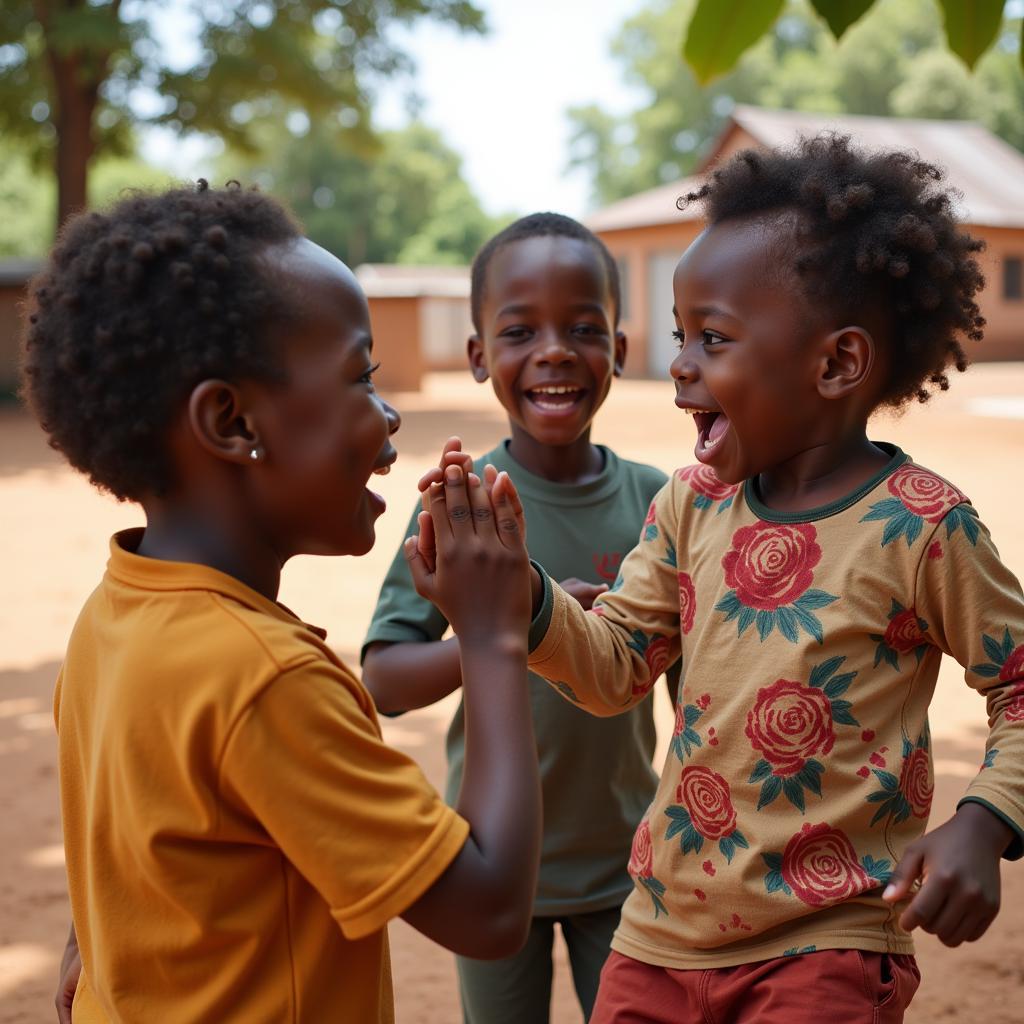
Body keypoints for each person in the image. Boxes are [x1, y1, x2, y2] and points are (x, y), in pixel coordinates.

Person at [428, 136, 1024, 1023]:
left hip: (827, 945)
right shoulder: (690, 505)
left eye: (712, 338)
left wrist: (984, 821)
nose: (678, 364)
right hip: (659, 937)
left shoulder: (922, 526)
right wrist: (523, 595)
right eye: (679, 336)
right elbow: (617, 665)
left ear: (835, 364)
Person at [21, 182, 542, 1023]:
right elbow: (487, 910)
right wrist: (492, 636)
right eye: (359, 377)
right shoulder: (267, 682)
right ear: (232, 421)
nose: (389, 413)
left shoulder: (113, 613)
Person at [362, 212, 678, 1023]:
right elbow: (386, 680)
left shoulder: (661, 503)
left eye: (584, 327)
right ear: (478, 356)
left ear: (621, 347)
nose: (555, 350)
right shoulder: (462, 507)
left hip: (629, 864)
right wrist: (508, 631)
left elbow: (697, 689)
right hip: (495, 861)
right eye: (519, 329)